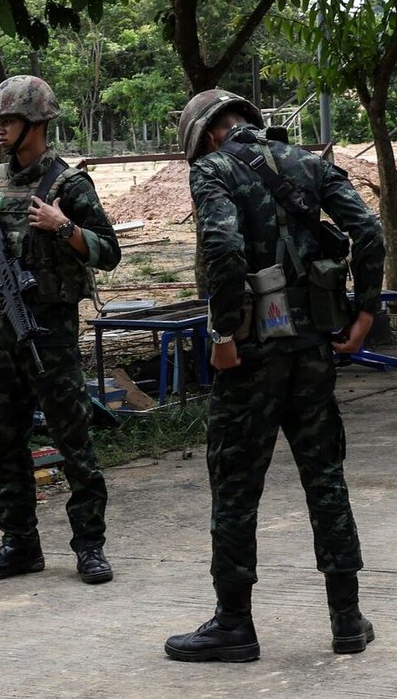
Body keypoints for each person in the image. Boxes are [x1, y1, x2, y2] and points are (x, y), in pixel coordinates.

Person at [164, 89, 385, 663]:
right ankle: (348, 620)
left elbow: (223, 248)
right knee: (325, 477)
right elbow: (368, 232)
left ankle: (234, 624)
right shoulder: (310, 162)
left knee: (236, 485)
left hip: (253, 357)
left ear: (207, 134)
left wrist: (222, 336)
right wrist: (364, 314)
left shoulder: (213, 170)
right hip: (314, 349)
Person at [0, 76, 122, 584]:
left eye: (8, 121)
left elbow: (109, 252)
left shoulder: (69, 186)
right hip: (0, 330)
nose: (0, 130)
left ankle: (90, 546)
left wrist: (62, 227)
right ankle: (19, 543)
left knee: (73, 441)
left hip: (49, 331)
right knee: (6, 440)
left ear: (36, 123)